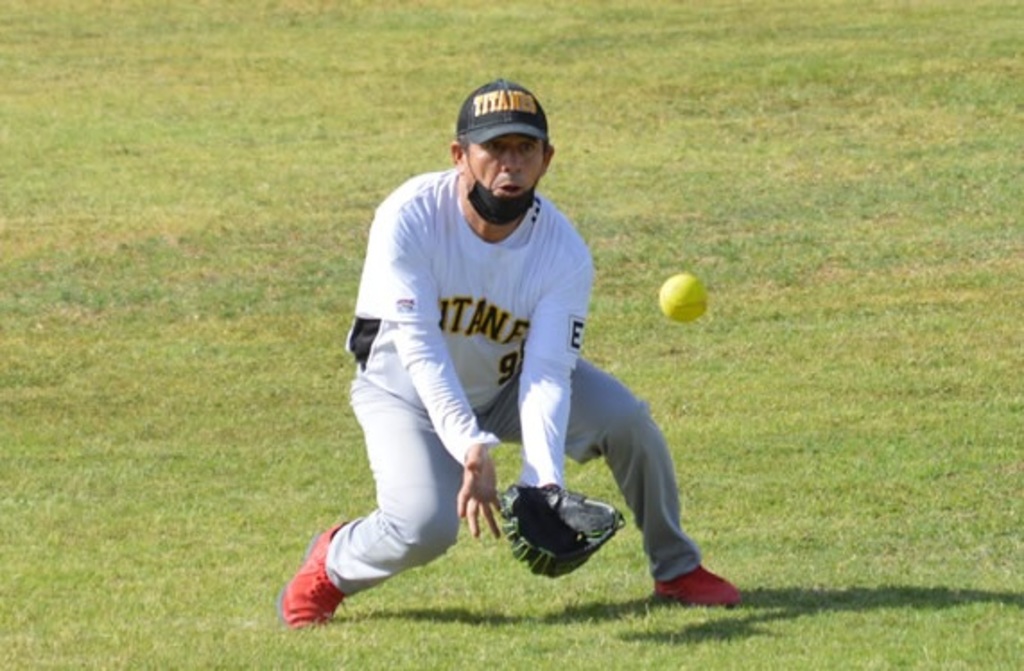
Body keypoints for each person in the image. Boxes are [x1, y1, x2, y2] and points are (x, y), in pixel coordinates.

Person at [277, 79, 740, 628]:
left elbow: (546, 374)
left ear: (547, 159)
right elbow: (421, 348)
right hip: (404, 392)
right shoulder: (409, 217)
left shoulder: (562, 252)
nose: (511, 164)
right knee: (425, 527)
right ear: (459, 155)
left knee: (628, 422)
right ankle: (332, 564)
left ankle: (677, 568)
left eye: (525, 148)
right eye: (494, 147)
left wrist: (544, 483)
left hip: (504, 384)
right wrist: (469, 444)